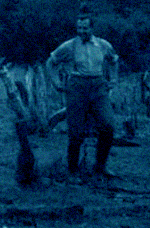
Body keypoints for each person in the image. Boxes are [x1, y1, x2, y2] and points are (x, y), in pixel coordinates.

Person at [45, 11, 119, 179]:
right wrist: (55, 82)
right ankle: (72, 170)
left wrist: (113, 79)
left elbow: (114, 60)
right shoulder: (70, 46)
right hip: (77, 87)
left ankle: (100, 167)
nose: (82, 31)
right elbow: (50, 62)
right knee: (76, 131)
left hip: (98, 86)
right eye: (79, 28)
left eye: (85, 28)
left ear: (92, 28)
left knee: (108, 126)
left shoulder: (103, 45)